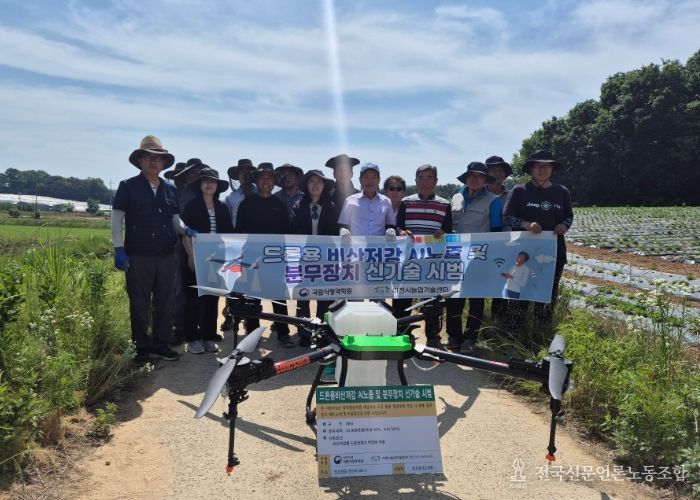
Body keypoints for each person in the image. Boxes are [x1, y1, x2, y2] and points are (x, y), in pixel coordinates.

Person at [111, 135, 197, 364]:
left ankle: (161, 344)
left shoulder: (170, 189)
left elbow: (175, 222)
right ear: (140, 160)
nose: (153, 162)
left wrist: (187, 230)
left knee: (165, 302)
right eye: (148, 157)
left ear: (164, 163)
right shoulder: (128, 186)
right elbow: (116, 221)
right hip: (138, 256)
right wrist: (119, 249)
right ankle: (141, 347)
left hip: (166, 255)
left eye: (158, 158)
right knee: (139, 303)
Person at [503, 149, 573, 333]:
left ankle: (540, 333)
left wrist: (564, 225)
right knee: (520, 290)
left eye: (547, 166)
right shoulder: (519, 191)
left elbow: (569, 216)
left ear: (552, 169)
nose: (543, 169)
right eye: (538, 166)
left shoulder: (561, 192)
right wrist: (525, 224)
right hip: (523, 254)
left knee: (547, 294)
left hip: (553, 253)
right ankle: (514, 334)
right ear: (531, 169)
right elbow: (507, 217)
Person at [446, 162, 503, 354]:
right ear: (466, 178)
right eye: (471, 175)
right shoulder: (456, 197)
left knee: (476, 299)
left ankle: (470, 339)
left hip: (479, 257)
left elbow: (496, 231)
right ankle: (454, 336)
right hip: (455, 255)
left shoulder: (494, 201)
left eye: (479, 176)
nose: (475, 179)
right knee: (454, 296)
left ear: (485, 179)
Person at [393, 165, 452, 349]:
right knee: (403, 300)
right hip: (408, 261)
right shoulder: (406, 202)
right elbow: (398, 226)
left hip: (432, 262)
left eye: (429, 177)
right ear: (416, 180)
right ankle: (401, 335)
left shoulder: (444, 204)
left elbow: (449, 230)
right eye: (421, 177)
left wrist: (443, 232)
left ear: (436, 181)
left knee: (432, 302)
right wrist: (402, 232)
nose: (424, 181)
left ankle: (433, 338)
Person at [236, 163, 294, 347]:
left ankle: (283, 333)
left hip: (275, 259)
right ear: (256, 180)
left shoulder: (279, 205)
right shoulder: (246, 204)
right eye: (262, 177)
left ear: (275, 182)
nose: (266, 180)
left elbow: (286, 233)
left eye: (270, 177)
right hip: (251, 259)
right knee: (252, 299)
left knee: (279, 298)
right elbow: (239, 232)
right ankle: (253, 335)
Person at [180, 167, 235, 354]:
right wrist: (190, 255)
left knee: (212, 298)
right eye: (205, 181)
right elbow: (184, 233)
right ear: (200, 185)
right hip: (196, 257)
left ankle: (209, 337)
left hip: (216, 259)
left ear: (217, 186)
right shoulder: (191, 206)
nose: (209, 184)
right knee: (193, 299)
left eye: (213, 181)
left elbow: (228, 235)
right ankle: (192, 338)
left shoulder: (222, 207)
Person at [290, 169, 339, 346]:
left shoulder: (331, 206)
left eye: (319, 182)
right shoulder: (298, 205)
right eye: (312, 181)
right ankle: (304, 333)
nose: (316, 185)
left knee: (324, 296)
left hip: (325, 259)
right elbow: (294, 230)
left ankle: (321, 333)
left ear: (324, 185)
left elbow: (335, 231)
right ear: (306, 185)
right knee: (303, 296)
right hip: (304, 258)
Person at [221, 159, 257, 333]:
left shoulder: (260, 193)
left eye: (249, 172)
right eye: (242, 172)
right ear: (238, 176)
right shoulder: (231, 198)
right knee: (233, 285)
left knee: (253, 286)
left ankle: (251, 320)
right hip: (236, 246)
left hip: (256, 247)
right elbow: (227, 222)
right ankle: (230, 317)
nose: (246, 175)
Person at [485, 155, 513, 321]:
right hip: (482, 247)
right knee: (480, 282)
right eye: (493, 170)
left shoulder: (512, 195)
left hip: (506, 246)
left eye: (500, 170)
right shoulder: (478, 194)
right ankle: (476, 319)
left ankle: (498, 319)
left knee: (503, 280)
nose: (497, 173)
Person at [338, 163, 396, 238]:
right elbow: (343, 225)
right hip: (356, 245)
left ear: (379, 180)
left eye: (373, 178)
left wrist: (391, 230)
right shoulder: (350, 200)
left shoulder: (387, 201)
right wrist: (342, 230)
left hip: (379, 245)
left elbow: (391, 225)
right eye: (366, 177)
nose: (370, 181)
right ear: (360, 179)